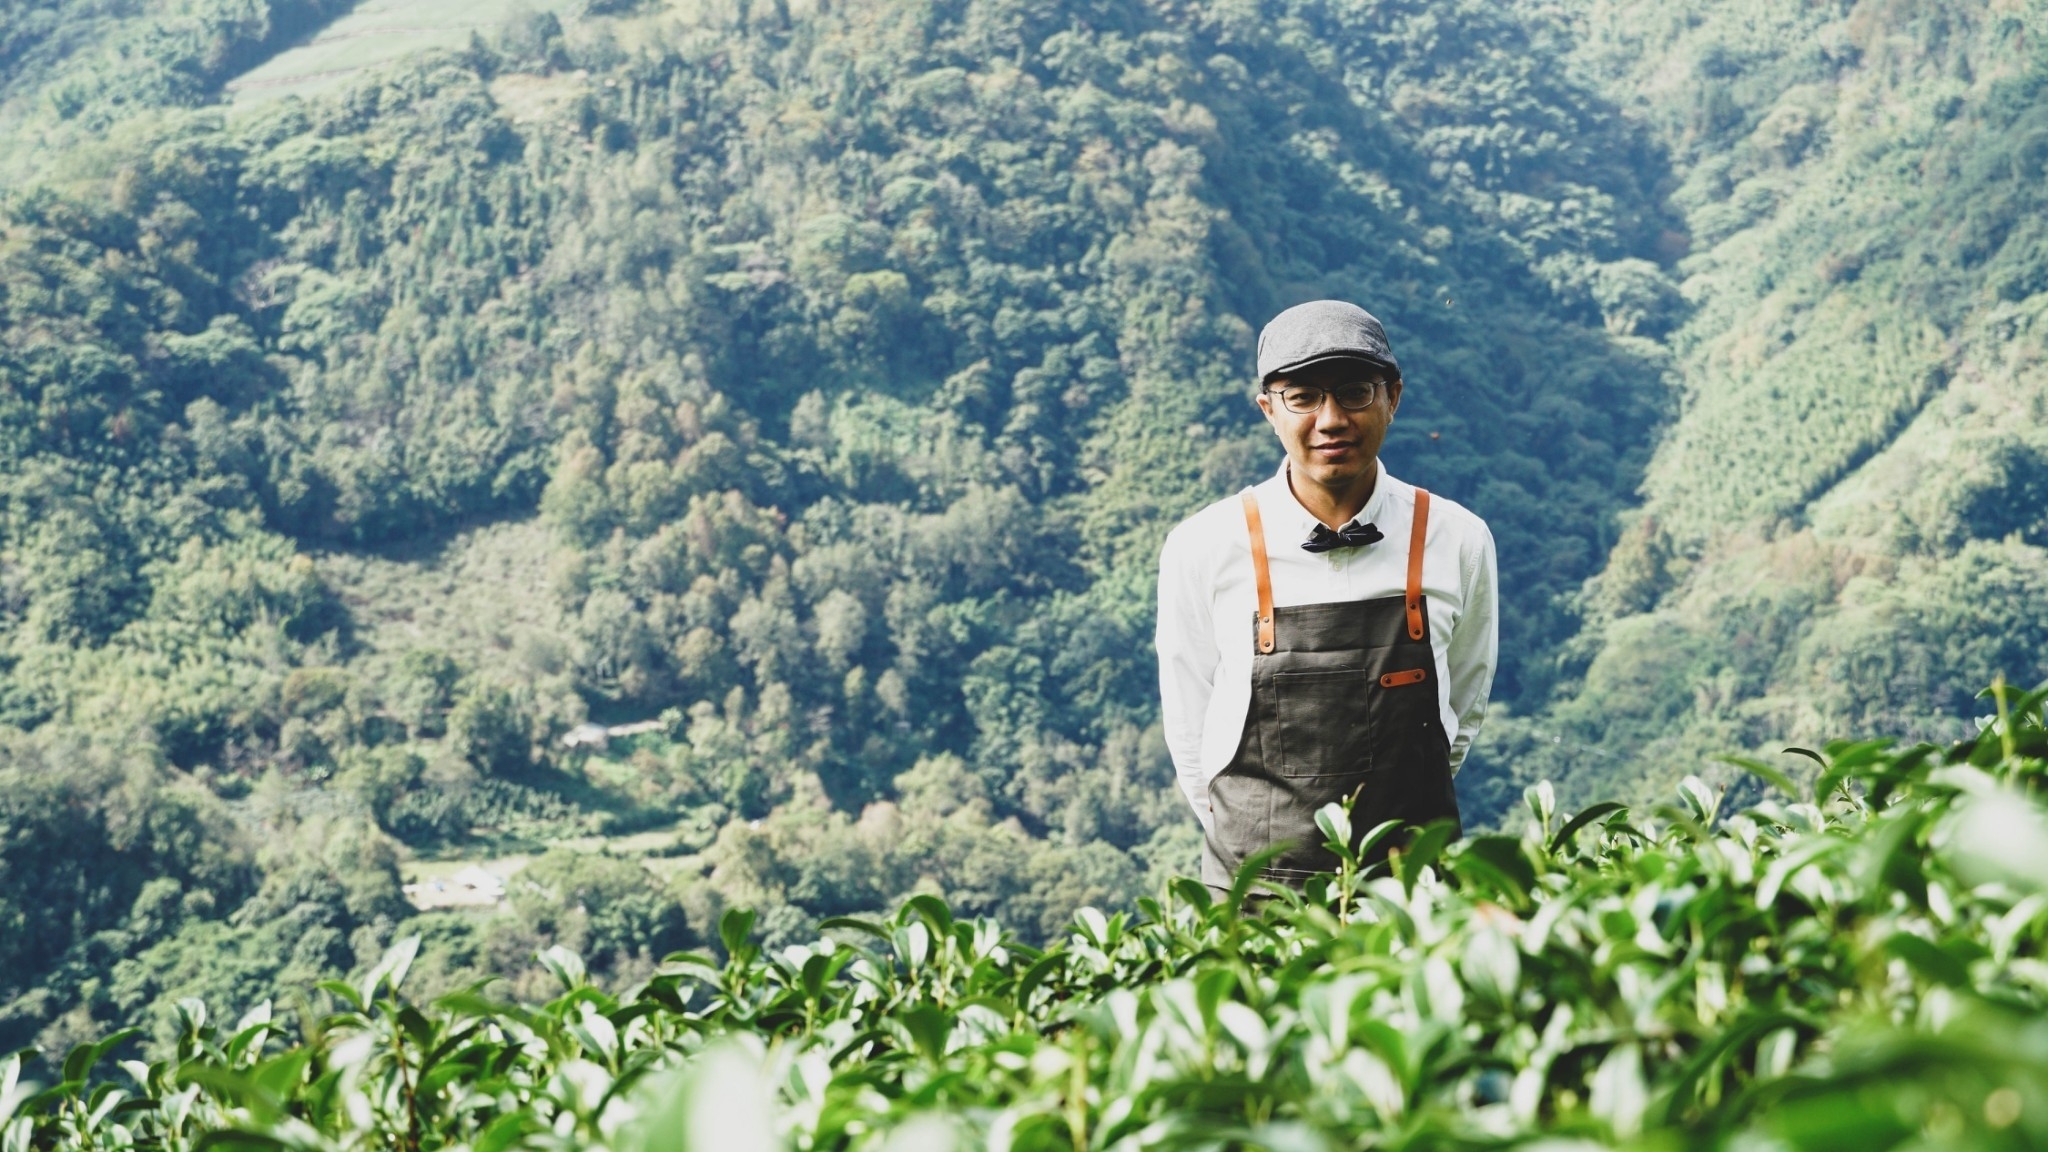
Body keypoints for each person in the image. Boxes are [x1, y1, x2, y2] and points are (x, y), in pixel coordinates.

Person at [1156, 300, 1498, 895]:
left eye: (1354, 392)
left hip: (1410, 894)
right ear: (1269, 409)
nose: (1332, 418)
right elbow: (1191, 730)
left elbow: (1462, 709)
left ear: (1393, 396)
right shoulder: (1205, 546)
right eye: (1304, 396)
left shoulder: (1455, 539)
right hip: (1256, 899)